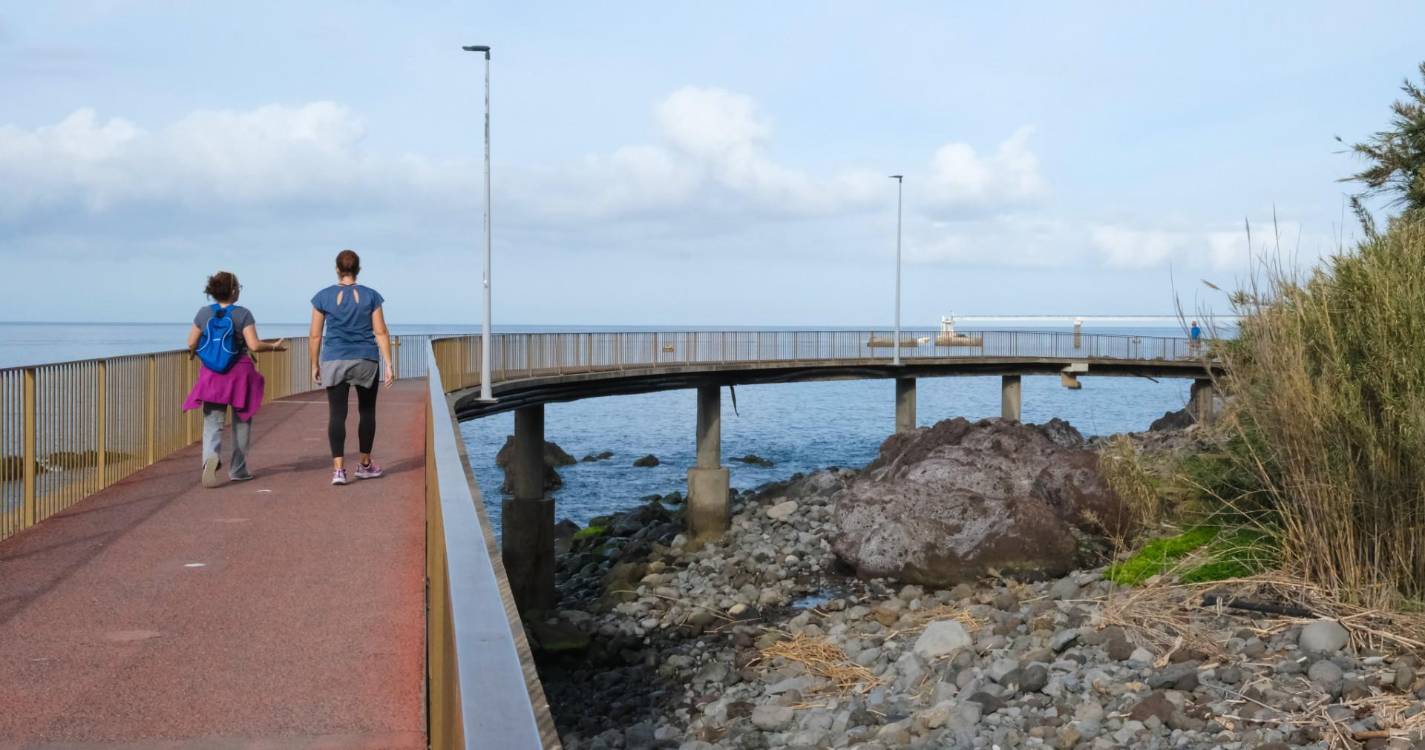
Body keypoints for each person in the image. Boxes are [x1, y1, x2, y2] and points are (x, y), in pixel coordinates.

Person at [182, 271, 287, 488]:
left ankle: (210, 458)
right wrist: (274, 347)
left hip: (212, 375)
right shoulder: (243, 314)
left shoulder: (204, 313)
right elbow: (254, 345)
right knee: (242, 422)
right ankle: (238, 469)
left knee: (213, 424)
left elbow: (191, 342)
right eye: (238, 287)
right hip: (239, 374)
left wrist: (201, 354)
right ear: (232, 291)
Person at [310, 249, 394, 486]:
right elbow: (381, 331)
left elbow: (315, 335)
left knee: (337, 414)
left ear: (337, 269)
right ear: (359, 269)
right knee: (367, 412)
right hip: (366, 359)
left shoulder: (322, 297)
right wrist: (389, 364)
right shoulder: (371, 296)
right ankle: (365, 465)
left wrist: (315, 364)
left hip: (334, 359)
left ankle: (338, 470)